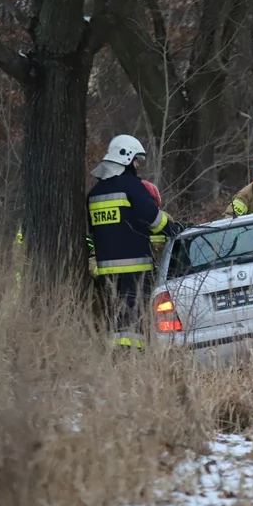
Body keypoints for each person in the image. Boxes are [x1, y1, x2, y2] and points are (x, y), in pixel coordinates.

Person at [87, 134, 173, 349]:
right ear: (125, 157)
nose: (137, 165)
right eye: (136, 159)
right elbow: (152, 217)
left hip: (106, 272)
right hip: (136, 270)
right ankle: (135, 358)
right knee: (136, 320)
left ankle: (118, 357)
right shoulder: (132, 186)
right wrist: (174, 228)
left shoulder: (94, 193)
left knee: (116, 318)